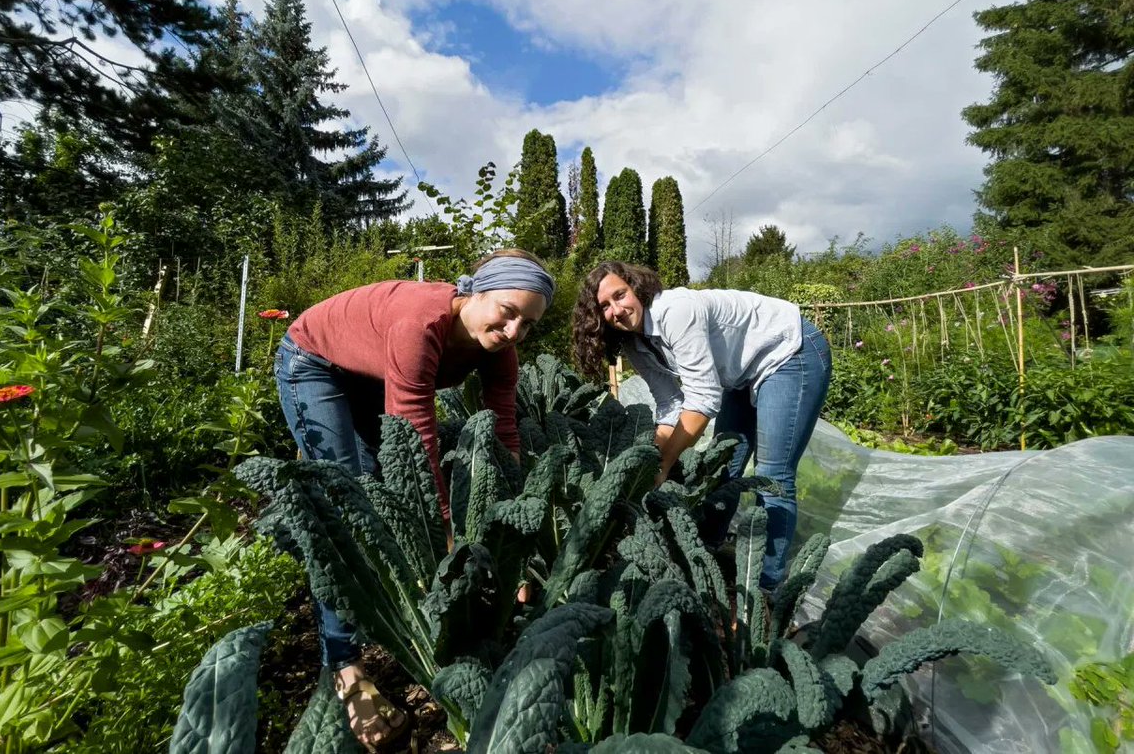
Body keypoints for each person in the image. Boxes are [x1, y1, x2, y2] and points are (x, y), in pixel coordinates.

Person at [275, 248, 553, 750]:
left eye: (528, 324)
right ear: (475, 294)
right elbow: (414, 434)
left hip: (370, 375)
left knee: (383, 500)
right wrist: (443, 534)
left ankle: (386, 605)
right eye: (507, 312)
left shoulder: (500, 352)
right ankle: (343, 667)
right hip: (315, 363)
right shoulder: (417, 324)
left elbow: (505, 436)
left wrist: (517, 550)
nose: (514, 332)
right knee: (343, 510)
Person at [571, 260, 830, 592]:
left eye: (619, 295)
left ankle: (766, 589)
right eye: (604, 307)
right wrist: (650, 462)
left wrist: (664, 463)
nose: (616, 310)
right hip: (739, 373)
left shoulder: (676, 310)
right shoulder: (634, 343)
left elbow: (703, 399)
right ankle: (702, 553)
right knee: (725, 463)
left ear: (635, 287)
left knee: (773, 475)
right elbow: (669, 405)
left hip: (788, 353)